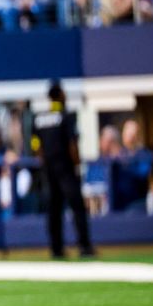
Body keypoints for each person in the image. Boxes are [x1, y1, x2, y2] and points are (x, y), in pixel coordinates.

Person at [31, 82, 94, 258]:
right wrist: (77, 165)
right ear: (60, 95)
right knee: (77, 207)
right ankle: (84, 246)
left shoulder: (39, 118)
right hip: (65, 168)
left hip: (49, 169)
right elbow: (72, 144)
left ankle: (56, 248)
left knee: (53, 209)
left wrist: (45, 164)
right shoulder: (66, 116)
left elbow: (36, 146)